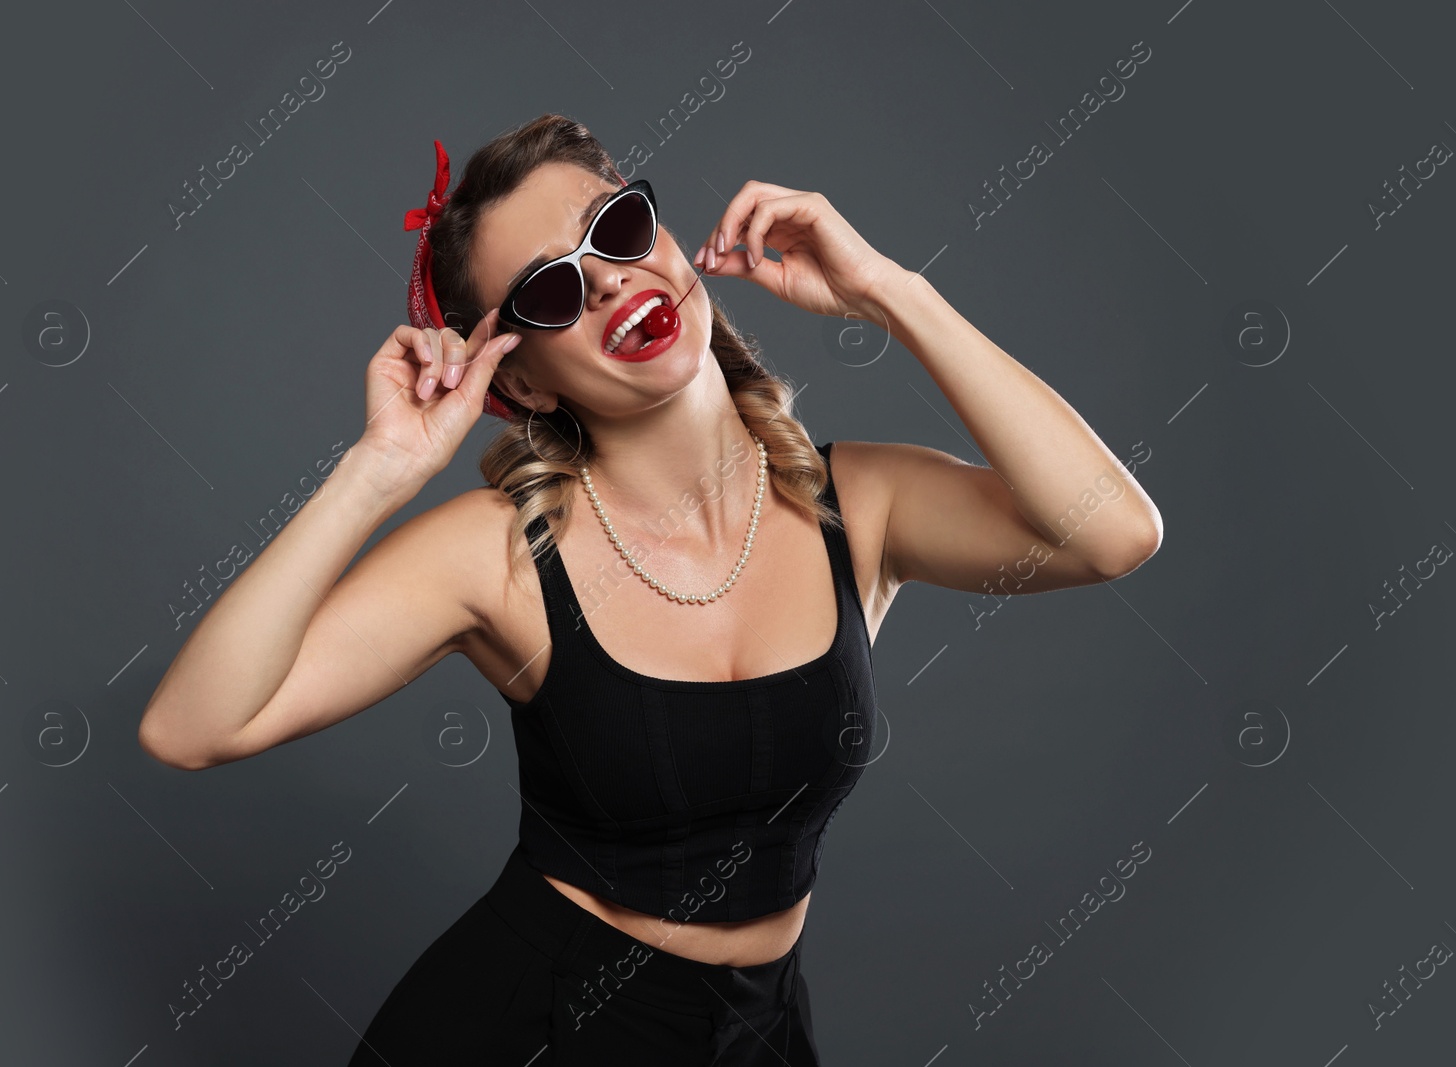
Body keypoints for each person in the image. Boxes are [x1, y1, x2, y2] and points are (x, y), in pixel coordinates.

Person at [136, 113, 1163, 1065]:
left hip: (759, 1029)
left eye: (616, 229)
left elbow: (1112, 533)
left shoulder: (860, 504)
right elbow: (191, 726)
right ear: (526, 381)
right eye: (550, 290)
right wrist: (380, 470)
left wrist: (890, 290)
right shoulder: (499, 554)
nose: (611, 284)